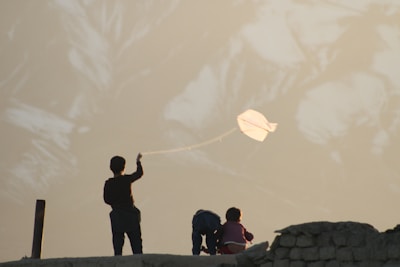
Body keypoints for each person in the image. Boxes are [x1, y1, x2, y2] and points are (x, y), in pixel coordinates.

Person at [103, 153, 144, 255]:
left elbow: (106, 199)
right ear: (124, 167)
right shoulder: (126, 180)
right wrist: (138, 161)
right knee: (136, 245)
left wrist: (115, 203)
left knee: (118, 244)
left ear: (110, 168)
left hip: (117, 216)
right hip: (130, 215)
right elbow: (139, 173)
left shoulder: (108, 183)